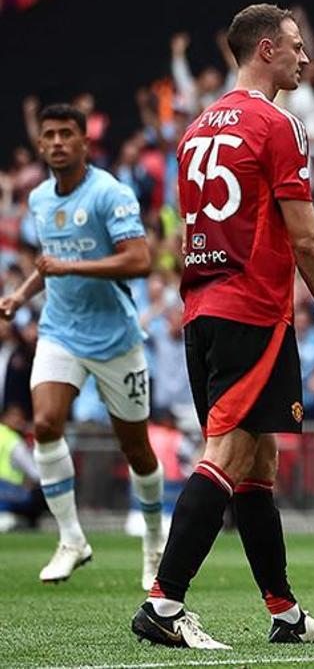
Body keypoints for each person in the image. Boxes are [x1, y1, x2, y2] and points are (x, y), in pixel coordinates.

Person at [131, 4, 314, 649]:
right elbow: (306, 239)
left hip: (202, 308)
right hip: (253, 309)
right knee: (227, 455)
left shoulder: (196, 127)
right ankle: (164, 604)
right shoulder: (278, 124)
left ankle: (284, 613)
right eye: (294, 46)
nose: (305, 58)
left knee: (259, 462)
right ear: (264, 49)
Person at [0, 103, 164, 588]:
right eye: (48, 134)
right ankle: (72, 538)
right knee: (46, 422)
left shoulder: (109, 193)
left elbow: (140, 260)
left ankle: (154, 547)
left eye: (65, 134)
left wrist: (71, 269)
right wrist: (22, 294)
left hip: (116, 339)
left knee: (136, 448)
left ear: (83, 142)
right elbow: (52, 261)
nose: (55, 142)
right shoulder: (39, 200)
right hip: (60, 332)